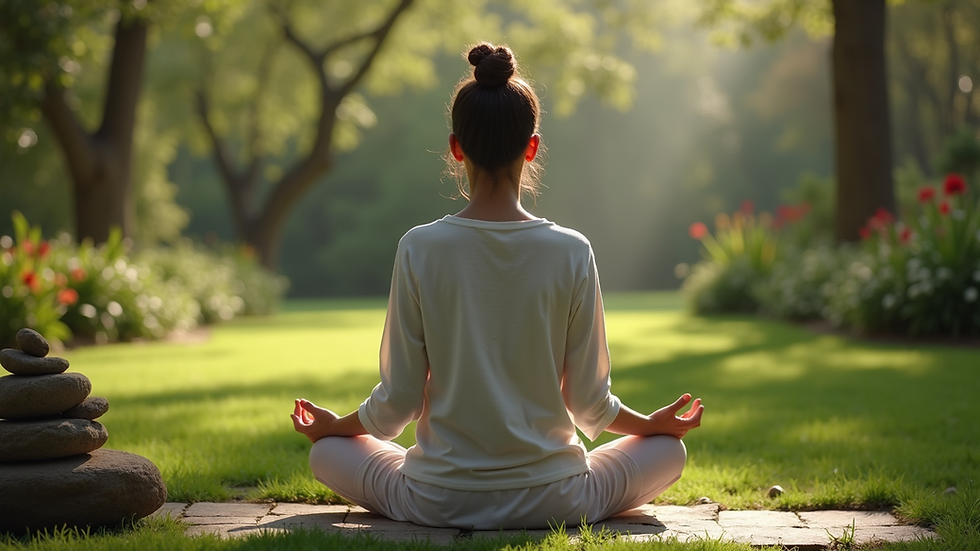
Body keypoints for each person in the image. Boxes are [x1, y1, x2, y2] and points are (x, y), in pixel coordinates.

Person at [291, 42, 704, 530]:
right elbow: (589, 404)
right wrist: (651, 426)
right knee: (667, 451)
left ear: (455, 148)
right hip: (559, 499)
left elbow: (399, 399)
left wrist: (336, 428)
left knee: (327, 455)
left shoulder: (420, 247)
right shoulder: (572, 250)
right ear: (531, 146)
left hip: (435, 498)